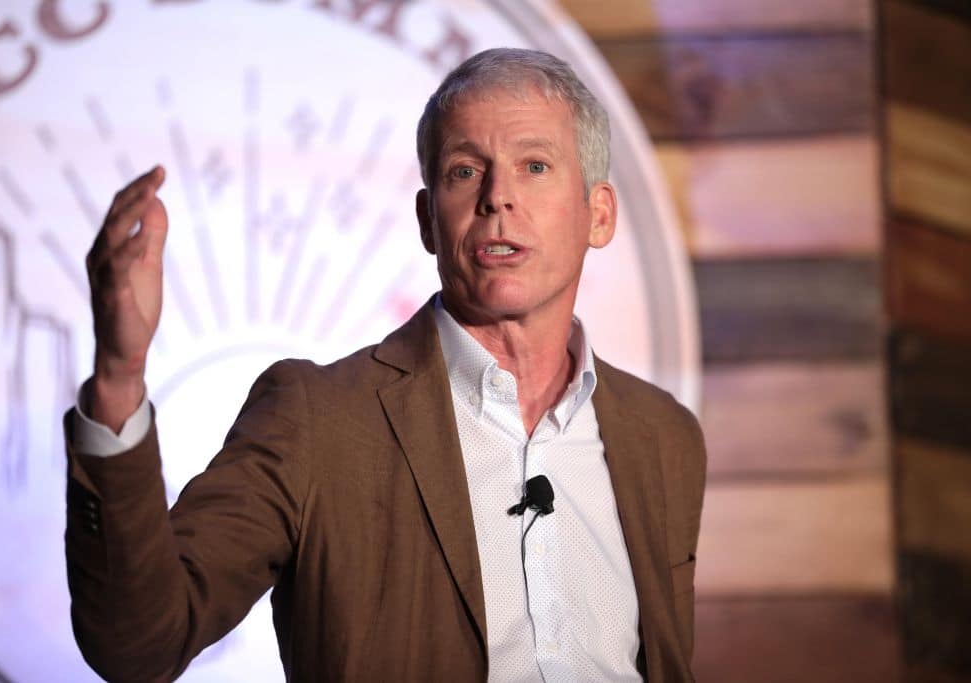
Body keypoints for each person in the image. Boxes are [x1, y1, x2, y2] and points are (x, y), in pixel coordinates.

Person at [65, 48, 706, 682]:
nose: (497, 198)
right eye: (463, 172)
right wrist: (120, 376)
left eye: (534, 165)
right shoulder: (316, 420)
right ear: (429, 221)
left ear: (599, 215)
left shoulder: (662, 438)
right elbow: (138, 643)